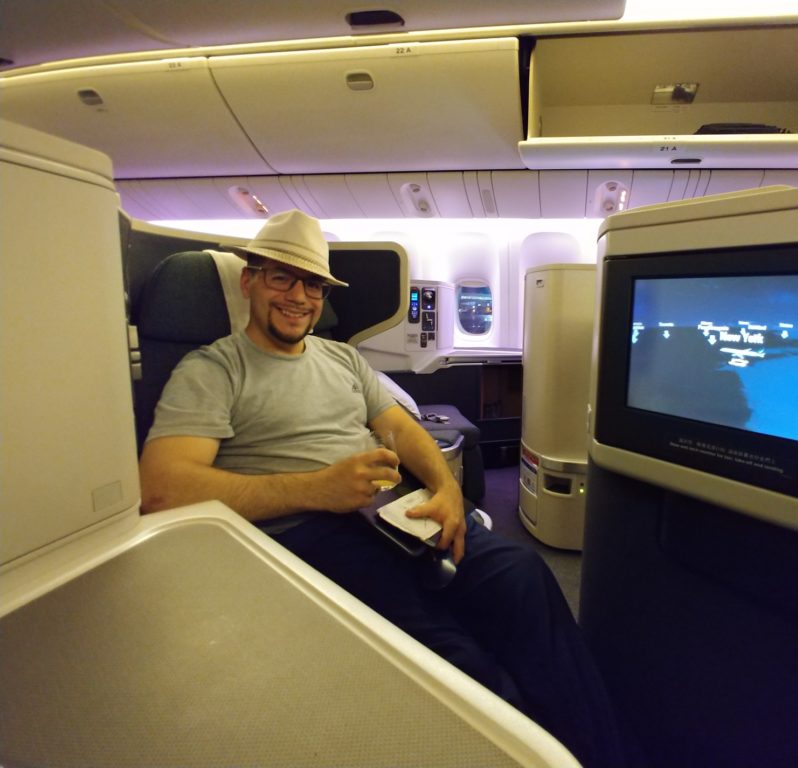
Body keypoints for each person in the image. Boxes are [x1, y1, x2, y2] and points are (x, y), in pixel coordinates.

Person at [139, 210, 628, 767]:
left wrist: (446, 489)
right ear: (249, 279)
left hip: (392, 510)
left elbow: (402, 428)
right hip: (303, 534)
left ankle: (605, 755)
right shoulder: (214, 369)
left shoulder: (342, 356)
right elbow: (162, 488)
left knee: (523, 577)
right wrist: (315, 489)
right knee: (452, 654)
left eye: (314, 283)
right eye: (281, 277)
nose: (299, 296)